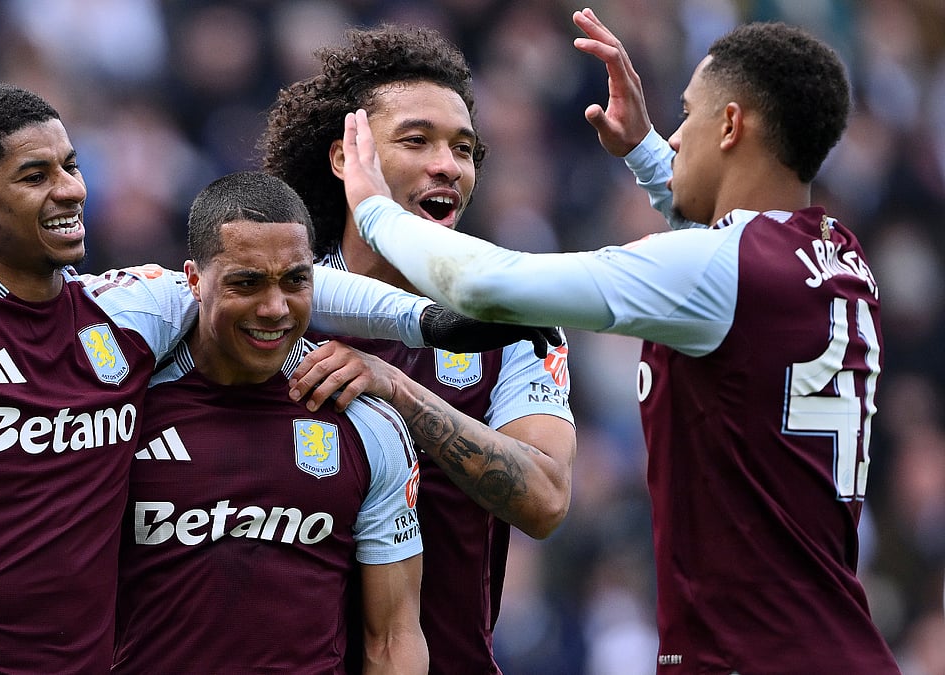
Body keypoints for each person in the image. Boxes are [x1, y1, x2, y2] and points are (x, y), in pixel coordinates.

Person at [0, 82, 532, 674]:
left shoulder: (125, 311)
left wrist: (424, 323)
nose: (70, 190)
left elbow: (261, 286)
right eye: (35, 175)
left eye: (72, 166)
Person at [338, 8, 900, 673]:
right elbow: (727, 245)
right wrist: (644, 151)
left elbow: (486, 285)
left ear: (730, 126)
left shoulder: (717, 272)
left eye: (686, 115)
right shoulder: (839, 256)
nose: (676, 133)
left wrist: (371, 205)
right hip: (833, 644)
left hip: (749, 655)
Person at [261, 24, 575, 674]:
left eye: (464, 149)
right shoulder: (269, 304)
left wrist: (397, 390)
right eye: (416, 140)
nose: (448, 165)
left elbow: (545, 498)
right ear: (346, 158)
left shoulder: (510, 319)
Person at [114, 169, 427, 673]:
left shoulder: (365, 419)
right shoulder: (123, 406)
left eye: (295, 281)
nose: (275, 308)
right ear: (194, 280)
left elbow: (393, 637)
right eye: (247, 283)